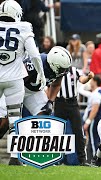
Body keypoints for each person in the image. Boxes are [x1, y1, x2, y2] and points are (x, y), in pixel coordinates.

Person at [0, 0, 46, 165]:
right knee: (14, 117)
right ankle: (14, 156)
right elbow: (34, 54)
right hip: (14, 79)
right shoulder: (24, 27)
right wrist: (41, 73)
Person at [54, 67, 95, 166]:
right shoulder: (55, 70)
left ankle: (82, 160)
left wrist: (89, 77)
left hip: (72, 103)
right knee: (58, 132)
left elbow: (82, 80)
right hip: (59, 102)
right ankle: (57, 159)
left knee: (78, 131)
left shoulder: (74, 70)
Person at [79, 76, 101, 163]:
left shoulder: (97, 94)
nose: (90, 82)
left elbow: (95, 109)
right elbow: (81, 91)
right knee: (92, 141)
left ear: (95, 81)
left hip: (95, 120)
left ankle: (96, 161)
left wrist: (88, 121)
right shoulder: (96, 92)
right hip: (95, 119)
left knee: (94, 141)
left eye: (91, 80)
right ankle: (93, 159)